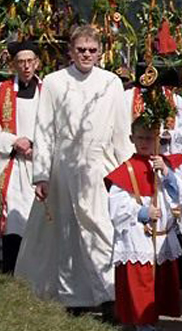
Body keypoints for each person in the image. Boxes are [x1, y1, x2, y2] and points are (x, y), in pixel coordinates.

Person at [16, 24, 133, 309]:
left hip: (101, 165)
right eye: (81, 49)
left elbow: (121, 130)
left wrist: (128, 172)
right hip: (64, 166)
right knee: (68, 230)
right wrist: (41, 174)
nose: (86, 55)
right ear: (70, 51)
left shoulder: (111, 83)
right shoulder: (55, 82)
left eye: (92, 50)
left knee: (102, 228)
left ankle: (108, 295)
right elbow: (44, 130)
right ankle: (73, 297)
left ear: (100, 52)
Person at [105, 117, 182, 331]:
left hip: (161, 236)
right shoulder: (126, 171)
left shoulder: (165, 166)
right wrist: (140, 211)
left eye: (150, 138)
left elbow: (181, 194)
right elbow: (117, 205)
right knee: (141, 282)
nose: (144, 143)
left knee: (157, 282)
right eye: (140, 138)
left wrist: (168, 175)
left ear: (158, 140)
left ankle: (152, 321)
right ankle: (144, 328)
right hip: (137, 235)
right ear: (132, 139)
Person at [0, 40, 43, 273]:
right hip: (13, 164)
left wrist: (36, 146)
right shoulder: (2, 91)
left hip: (41, 163)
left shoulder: (48, 91)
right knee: (14, 219)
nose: (26, 66)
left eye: (30, 61)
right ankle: (11, 274)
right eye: (21, 62)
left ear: (37, 62)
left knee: (38, 220)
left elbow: (58, 125)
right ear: (14, 64)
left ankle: (38, 274)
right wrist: (14, 141)